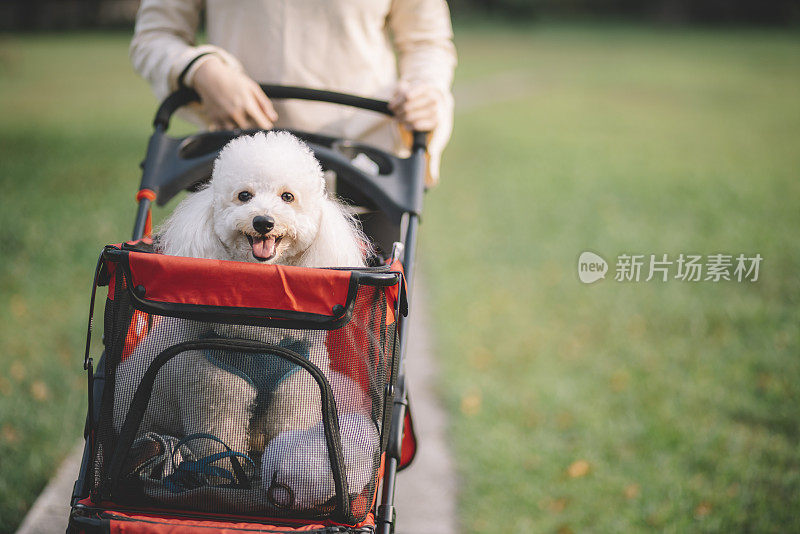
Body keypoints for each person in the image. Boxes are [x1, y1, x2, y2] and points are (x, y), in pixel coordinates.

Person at [129, 0, 456, 187]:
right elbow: (155, 36)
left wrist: (425, 89)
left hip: (362, 171)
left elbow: (426, 42)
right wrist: (200, 69)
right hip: (241, 169)